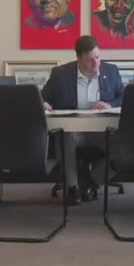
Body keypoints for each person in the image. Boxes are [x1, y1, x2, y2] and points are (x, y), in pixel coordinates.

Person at [41, 36, 124, 203]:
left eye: (98, 57)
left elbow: (123, 97)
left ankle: (92, 181)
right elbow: (43, 98)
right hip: (73, 131)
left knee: (124, 146)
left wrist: (110, 104)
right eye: (90, 60)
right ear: (79, 58)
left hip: (102, 132)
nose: (96, 63)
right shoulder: (60, 75)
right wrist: (43, 103)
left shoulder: (111, 71)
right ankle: (73, 188)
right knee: (66, 137)